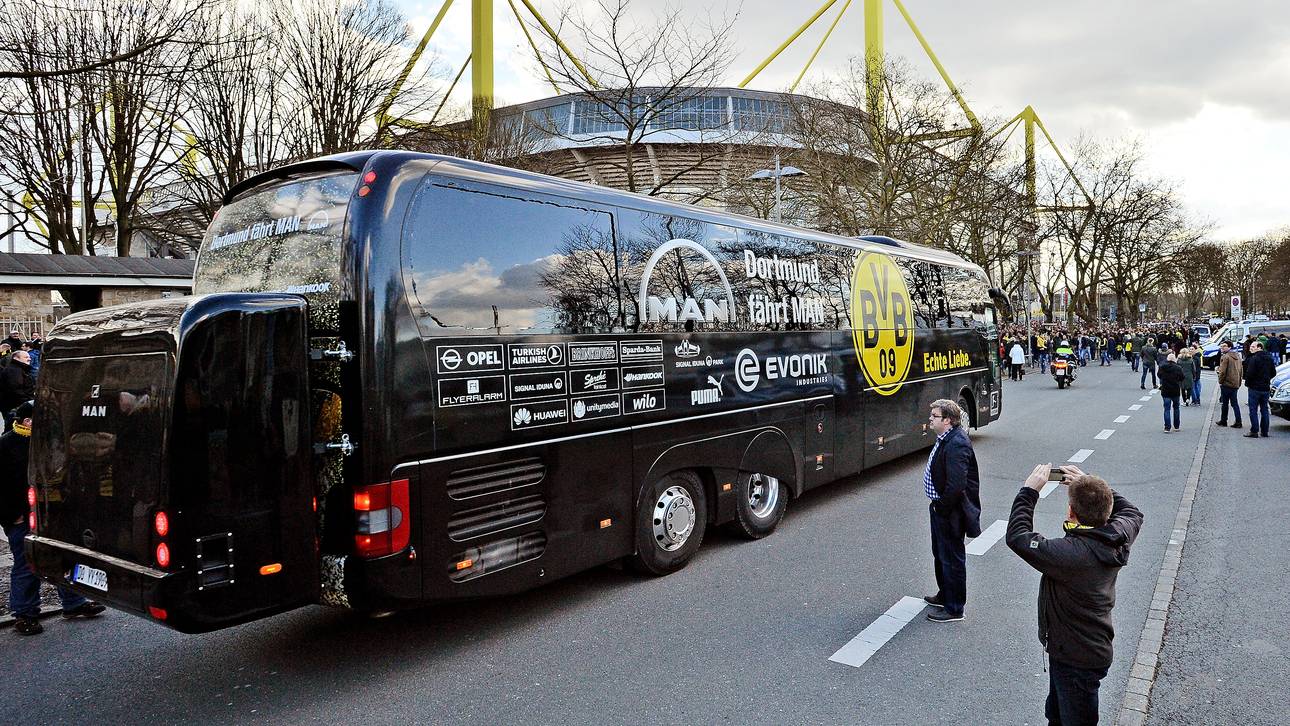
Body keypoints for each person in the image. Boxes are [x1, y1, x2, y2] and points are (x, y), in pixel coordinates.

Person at [1007, 463, 1144, 726]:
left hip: (1076, 658)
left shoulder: (1072, 554)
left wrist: (1028, 492)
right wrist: (1088, 482)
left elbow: (1017, 537)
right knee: (1057, 715)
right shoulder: (1118, 533)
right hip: (1081, 650)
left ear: (1071, 512)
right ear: (1107, 510)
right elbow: (1132, 511)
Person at [2, 401, 106, 635]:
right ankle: (25, 613)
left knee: (64, 557)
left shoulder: (49, 441)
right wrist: (12, 517)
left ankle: (74, 603)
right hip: (23, 516)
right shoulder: (7, 445)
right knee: (27, 563)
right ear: (27, 421)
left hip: (53, 511)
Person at [921, 399, 982, 623]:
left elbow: (956, 485)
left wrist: (941, 506)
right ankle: (944, 594)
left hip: (950, 510)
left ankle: (955, 608)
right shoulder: (946, 438)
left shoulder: (957, 443)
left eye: (934, 416)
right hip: (941, 507)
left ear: (947, 420)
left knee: (952, 558)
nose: (930, 420)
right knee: (940, 554)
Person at [1243, 340, 1276, 438]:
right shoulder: (1269, 358)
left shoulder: (1254, 358)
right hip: (1265, 387)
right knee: (1264, 409)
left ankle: (1254, 431)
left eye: (1253, 347)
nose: (1251, 349)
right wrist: (1266, 379)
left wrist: (1248, 383)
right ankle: (1265, 431)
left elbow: (1249, 373)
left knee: (1253, 410)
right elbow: (1273, 372)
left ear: (1259, 347)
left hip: (1254, 388)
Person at [0, 349, 35, 431]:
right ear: (16, 358)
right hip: (15, 407)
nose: (29, 359)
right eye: (26, 357)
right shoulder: (13, 371)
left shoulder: (19, 369)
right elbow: (15, 390)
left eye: (29, 357)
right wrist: (28, 402)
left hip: (15, 406)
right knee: (12, 430)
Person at [1215, 341, 1244, 429]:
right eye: (1221, 346)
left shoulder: (1226, 357)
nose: (1222, 348)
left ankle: (1224, 420)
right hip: (1235, 383)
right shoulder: (1237, 356)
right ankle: (1238, 421)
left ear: (1230, 347)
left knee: (1225, 403)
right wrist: (1239, 381)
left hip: (1227, 383)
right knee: (1235, 403)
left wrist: (1220, 380)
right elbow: (1241, 370)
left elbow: (1222, 371)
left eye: (1224, 346)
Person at [1158, 353, 1184, 433]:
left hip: (1165, 390)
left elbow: (1159, 375)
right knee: (1176, 408)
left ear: (1167, 359)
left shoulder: (1162, 367)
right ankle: (1176, 426)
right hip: (1175, 390)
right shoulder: (1178, 368)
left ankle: (1167, 427)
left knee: (1167, 409)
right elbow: (1182, 377)